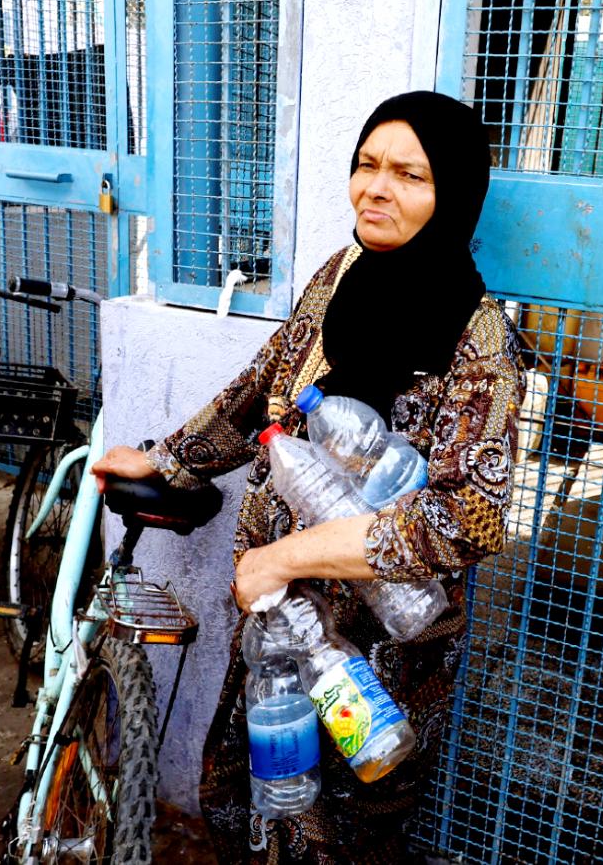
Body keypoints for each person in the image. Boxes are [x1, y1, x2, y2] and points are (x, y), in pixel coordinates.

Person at [92, 91, 527, 863]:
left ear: (454, 194)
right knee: (249, 800)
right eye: (367, 165)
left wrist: (285, 556)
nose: (376, 189)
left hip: (379, 657)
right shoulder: (342, 274)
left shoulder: (479, 340)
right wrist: (168, 459)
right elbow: (264, 388)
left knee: (343, 835)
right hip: (281, 625)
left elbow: (469, 517)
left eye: (409, 175)